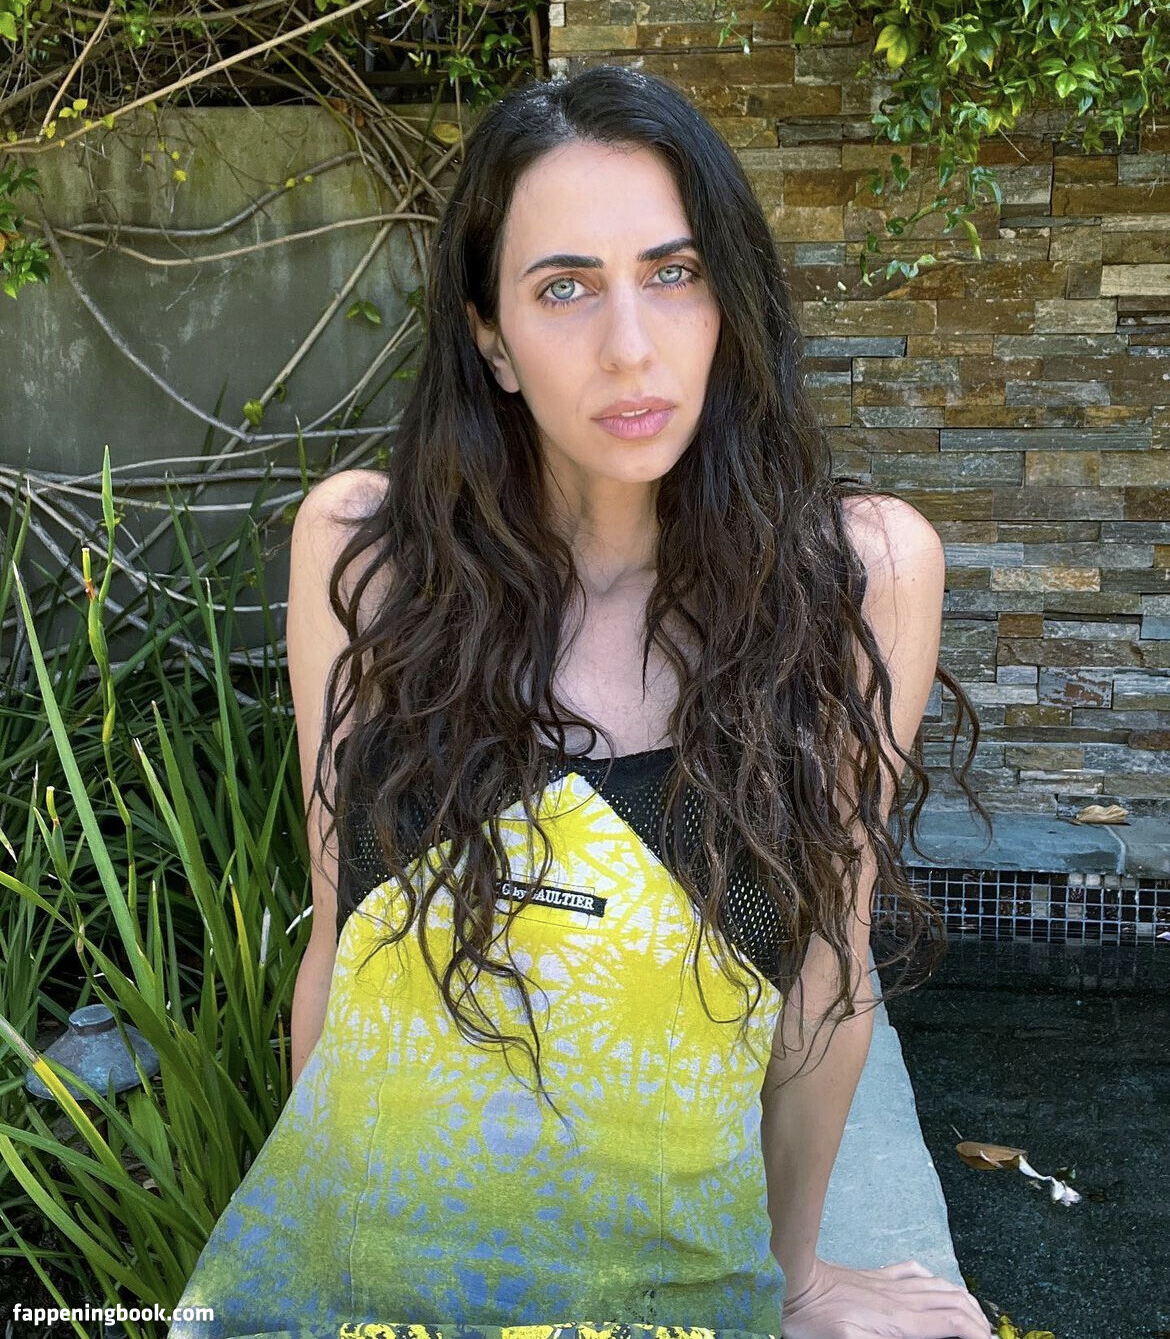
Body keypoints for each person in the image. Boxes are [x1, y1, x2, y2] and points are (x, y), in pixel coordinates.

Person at [168, 64, 993, 1339]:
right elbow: (344, 943)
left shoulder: (857, 578)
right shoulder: (368, 562)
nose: (630, 345)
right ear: (490, 338)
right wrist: (323, 1262)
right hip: (377, 1281)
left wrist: (791, 1279)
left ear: (731, 298)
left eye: (674, 272)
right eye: (564, 286)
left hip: (666, 1296)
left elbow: (828, 971)